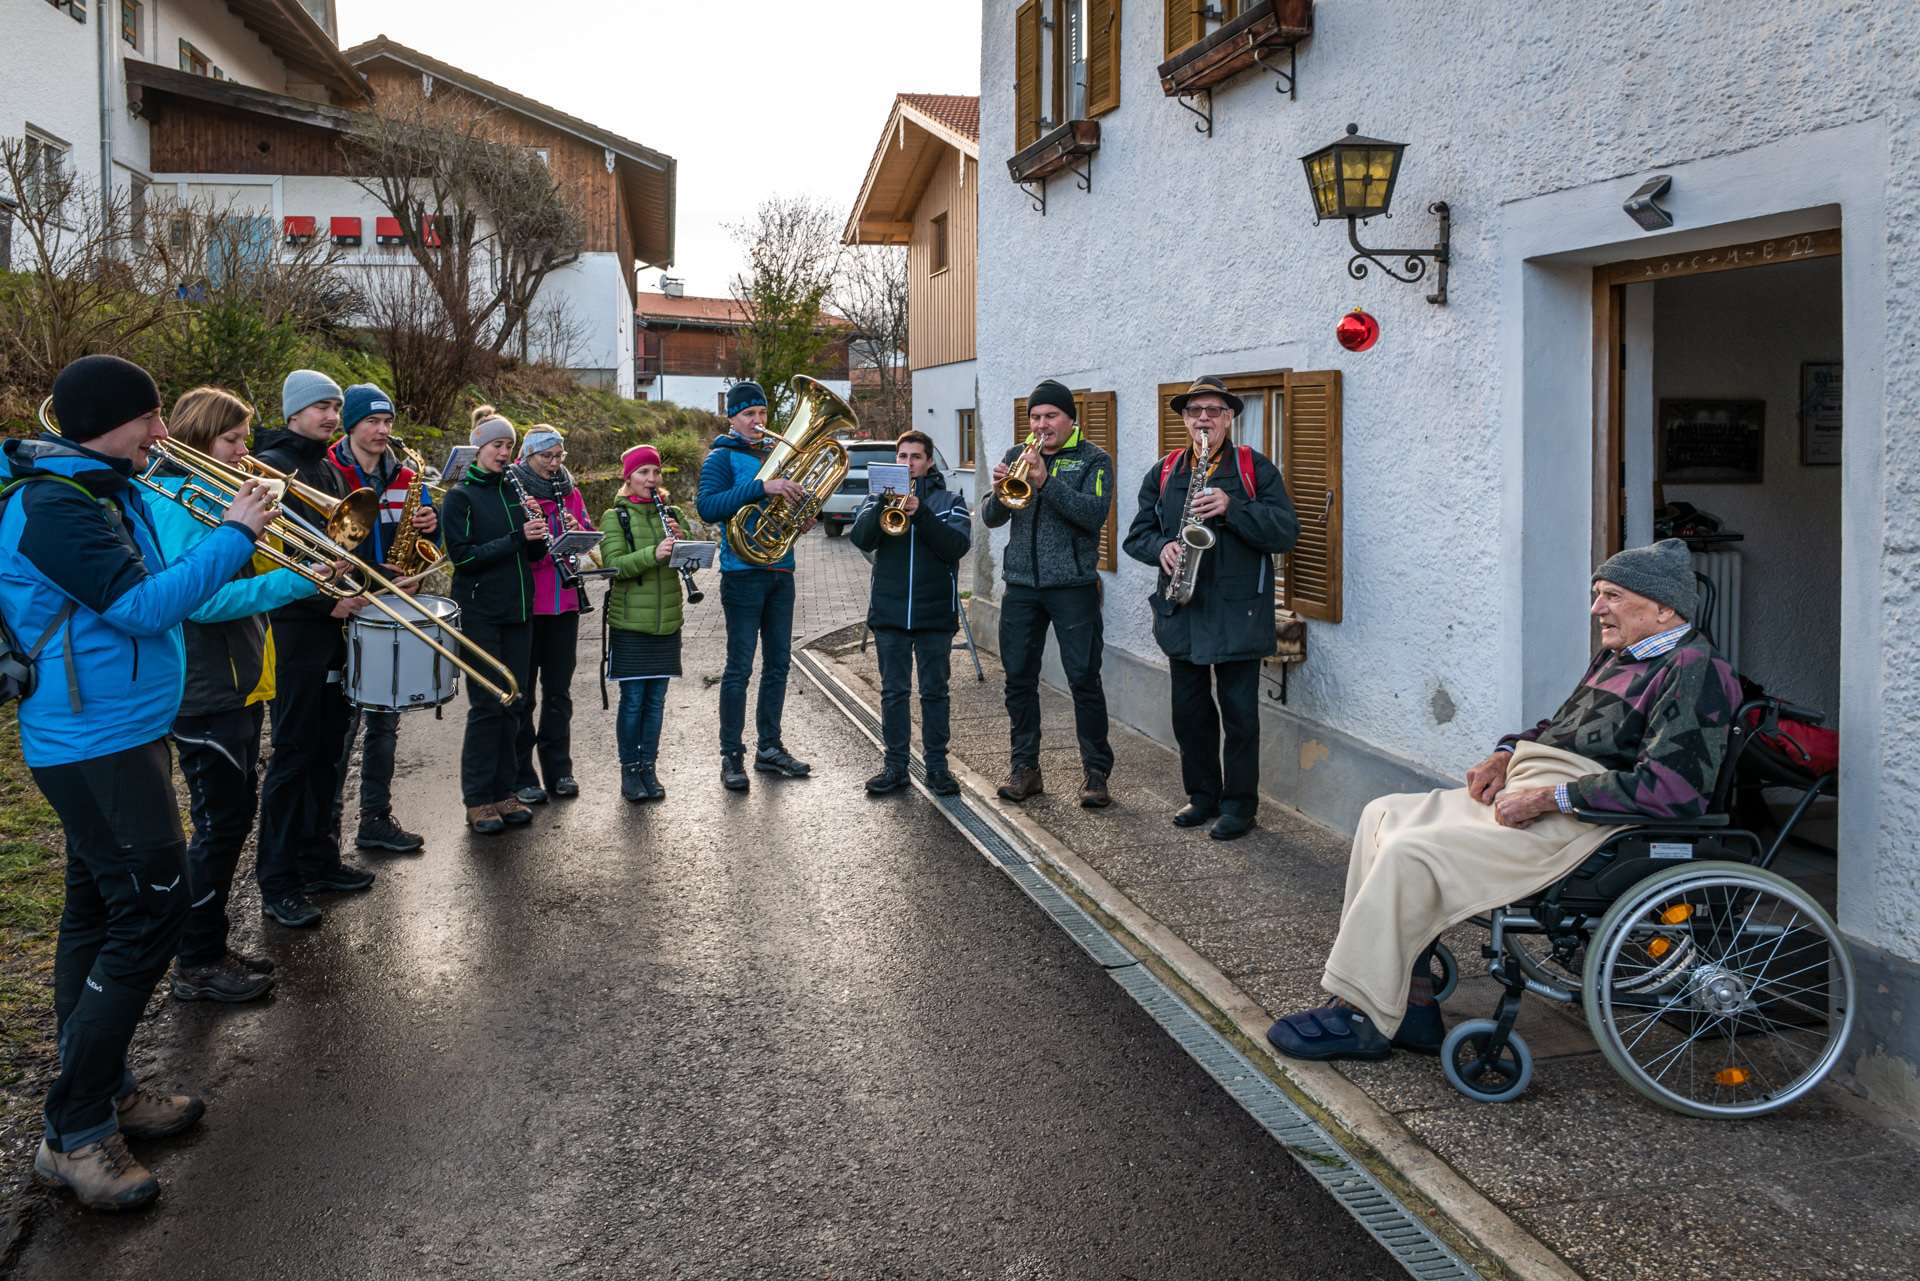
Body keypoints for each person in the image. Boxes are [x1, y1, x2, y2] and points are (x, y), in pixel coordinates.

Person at [1265, 540, 1740, 1063]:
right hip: (1541, 794)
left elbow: (1672, 789)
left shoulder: (1695, 670)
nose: (1596, 609)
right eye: (1597, 594)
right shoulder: (1620, 655)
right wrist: (1504, 754)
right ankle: (1411, 1000)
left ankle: (1362, 1015)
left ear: (1664, 607)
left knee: (1412, 853)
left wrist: (1547, 798)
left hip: (1586, 823)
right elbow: (1559, 729)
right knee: (1384, 814)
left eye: (1612, 596)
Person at [1, 356, 274, 1211]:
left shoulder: (102, 489)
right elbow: (146, 607)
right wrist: (235, 533)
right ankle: (74, 1130)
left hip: (122, 730)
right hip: (94, 743)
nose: (162, 430)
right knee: (153, 911)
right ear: (102, 425)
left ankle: (106, 1088)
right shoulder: (53, 507)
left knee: (96, 909)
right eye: (149, 417)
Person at [149, 388, 327, 1004]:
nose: (244, 452)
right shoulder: (174, 499)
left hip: (236, 680)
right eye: (232, 440)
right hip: (205, 688)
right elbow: (200, 602)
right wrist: (293, 583)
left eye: (245, 438)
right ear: (199, 439)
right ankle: (196, 960)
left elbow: (239, 575)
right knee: (219, 826)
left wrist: (286, 554)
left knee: (230, 819)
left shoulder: (212, 492)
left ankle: (208, 944)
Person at [1122, 376, 1299, 841]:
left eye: (1214, 411)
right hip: (1183, 609)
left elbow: (1285, 532)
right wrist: (1160, 547)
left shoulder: (1254, 468)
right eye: (1195, 411)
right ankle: (1203, 796)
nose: (1204, 419)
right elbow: (1137, 535)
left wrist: (1232, 507)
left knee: (1240, 716)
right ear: (1185, 419)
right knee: (1190, 714)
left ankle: (1240, 806)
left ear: (1229, 417)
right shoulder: (1166, 470)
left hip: (1240, 614)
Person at [252, 370, 375, 929]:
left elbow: (337, 548)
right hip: (294, 634)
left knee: (328, 752)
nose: (331, 416)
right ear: (293, 413)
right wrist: (327, 604)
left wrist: (368, 577)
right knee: (293, 757)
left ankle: (318, 860)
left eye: (335, 406)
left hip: (330, 631)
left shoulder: (324, 466)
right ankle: (278, 882)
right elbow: (267, 561)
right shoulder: (271, 466)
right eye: (321, 407)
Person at [981, 379, 1116, 808]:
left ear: (1070, 419)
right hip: (1022, 585)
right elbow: (991, 518)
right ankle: (1025, 768)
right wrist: (1000, 490)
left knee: (1084, 680)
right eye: (1035, 417)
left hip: (1074, 587)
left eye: (1051, 416)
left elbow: (1093, 515)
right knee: (1018, 679)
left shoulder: (1094, 459)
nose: (1042, 425)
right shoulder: (1015, 455)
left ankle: (1096, 773)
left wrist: (1045, 482)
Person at [324, 382, 435, 854]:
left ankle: (375, 818)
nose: (382, 430)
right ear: (351, 424)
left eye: (387, 421)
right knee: (340, 729)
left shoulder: (408, 477)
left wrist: (430, 530)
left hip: (392, 607)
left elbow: (425, 541)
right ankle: (326, 833)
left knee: (386, 721)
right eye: (372, 421)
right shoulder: (327, 471)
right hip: (341, 609)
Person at [695, 380, 812, 792]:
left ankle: (770, 748)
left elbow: (787, 506)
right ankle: (731, 755)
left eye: (762, 413)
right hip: (741, 572)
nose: (758, 421)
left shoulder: (781, 454)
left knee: (778, 665)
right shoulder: (720, 456)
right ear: (732, 418)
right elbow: (707, 507)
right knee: (739, 668)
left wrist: (801, 516)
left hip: (782, 570)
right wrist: (762, 487)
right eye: (749, 414)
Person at [849, 430, 972, 797]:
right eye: (902, 457)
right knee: (893, 693)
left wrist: (921, 515)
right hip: (890, 611)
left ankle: (937, 768)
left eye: (916, 457)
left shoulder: (951, 501)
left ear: (929, 462)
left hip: (935, 612)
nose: (908, 463)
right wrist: (880, 504)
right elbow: (860, 539)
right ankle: (895, 767)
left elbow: (955, 548)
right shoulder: (877, 498)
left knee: (935, 693)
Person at [443, 415, 546, 833]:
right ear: (479, 448)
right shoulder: (460, 496)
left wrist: (536, 533)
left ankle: (505, 792)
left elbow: (532, 557)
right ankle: (478, 799)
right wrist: (518, 537)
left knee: (515, 703)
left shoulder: (514, 492)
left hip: (518, 611)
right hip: (480, 613)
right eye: (496, 445)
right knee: (488, 707)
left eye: (509, 446)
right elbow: (463, 557)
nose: (504, 453)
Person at [509, 424, 593, 804]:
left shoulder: (569, 490)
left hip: (565, 603)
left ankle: (559, 770)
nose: (555, 463)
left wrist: (577, 529)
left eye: (559, 455)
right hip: (528, 604)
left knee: (559, 693)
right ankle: (521, 774)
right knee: (523, 695)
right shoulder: (513, 489)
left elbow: (588, 533)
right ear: (528, 455)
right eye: (547, 456)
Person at [600, 445, 686, 802]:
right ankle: (630, 770)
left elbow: (690, 561)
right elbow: (614, 565)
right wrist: (655, 553)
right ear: (629, 478)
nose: (651, 479)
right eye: (643, 473)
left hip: (667, 622)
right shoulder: (614, 516)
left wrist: (685, 545)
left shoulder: (673, 513)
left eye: (656, 472)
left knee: (656, 702)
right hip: (631, 623)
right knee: (633, 701)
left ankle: (649, 767)